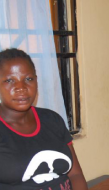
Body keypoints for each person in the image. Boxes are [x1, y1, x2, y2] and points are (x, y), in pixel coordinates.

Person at [0, 48, 88, 190]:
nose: (21, 87)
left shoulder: (52, 119)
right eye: (10, 80)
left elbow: (75, 175)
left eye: (28, 79)